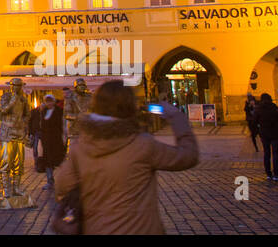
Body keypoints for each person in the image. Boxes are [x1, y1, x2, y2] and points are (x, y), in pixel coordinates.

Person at [55, 81, 199, 234]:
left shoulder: (81, 146)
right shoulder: (143, 144)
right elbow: (187, 156)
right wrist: (177, 117)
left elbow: (62, 185)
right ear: (130, 106)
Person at [34, 93, 67, 189]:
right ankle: (50, 181)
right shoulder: (43, 111)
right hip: (46, 141)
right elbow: (41, 124)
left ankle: (64, 181)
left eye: (50, 101)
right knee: (48, 161)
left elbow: (62, 125)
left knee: (60, 161)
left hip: (56, 140)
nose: (49, 103)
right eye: (47, 101)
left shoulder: (59, 111)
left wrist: (64, 137)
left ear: (53, 101)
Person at [254, 93, 278, 182]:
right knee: (275, 154)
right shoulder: (274, 107)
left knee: (266, 153)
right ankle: (276, 174)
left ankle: (268, 174)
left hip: (264, 133)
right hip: (275, 133)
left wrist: (257, 131)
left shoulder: (259, 109)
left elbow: (254, 121)